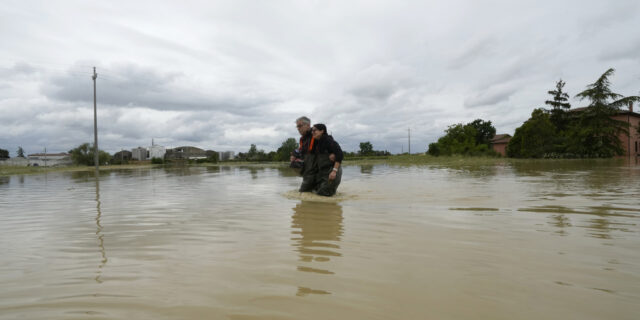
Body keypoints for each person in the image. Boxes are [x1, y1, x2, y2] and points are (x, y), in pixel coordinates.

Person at [303, 123, 343, 196]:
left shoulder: (328, 140)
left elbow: (340, 154)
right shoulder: (317, 142)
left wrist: (334, 171)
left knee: (323, 195)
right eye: (312, 131)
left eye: (315, 130)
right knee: (316, 192)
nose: (312, 132)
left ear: (322, 131)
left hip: (332, 172)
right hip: (323, 174)